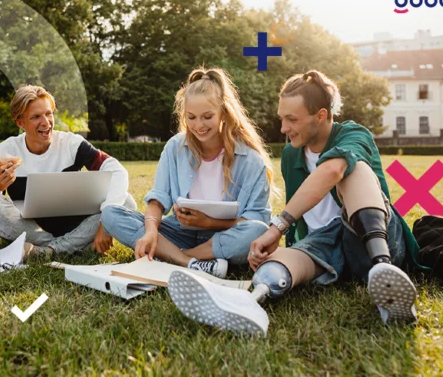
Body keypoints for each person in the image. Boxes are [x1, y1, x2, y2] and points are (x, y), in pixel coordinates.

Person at [167, 70, 425, 335]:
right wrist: (276, 246)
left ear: (321, 116)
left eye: (291, 119)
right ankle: (247, 301)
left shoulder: (353, 134)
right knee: (276, 264)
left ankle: (383, 270)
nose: (283, 128)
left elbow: (332, 172)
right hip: (323, 246)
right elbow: (302, 216)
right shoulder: (291, 154)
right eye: (282, 119)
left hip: (371, 238)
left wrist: (277, 226)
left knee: (353, 169)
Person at [100, 67, 275, 278]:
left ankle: (177, 257)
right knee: (110, 214)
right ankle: (189, 263)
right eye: (191, 117)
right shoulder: (175, 147)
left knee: (260, 231)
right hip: (179, 232)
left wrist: (209, 223)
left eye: (207, 117)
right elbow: (158, 199)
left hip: (224, 236)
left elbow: (258, 219)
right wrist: (151, 231)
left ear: (223, 114)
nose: (198, 125)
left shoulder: (250, 159)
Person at [0, 85, 136, 259]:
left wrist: (106, 223)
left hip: (77, 224)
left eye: (48, 113)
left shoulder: (72, 144)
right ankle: (75, 246)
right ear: (20, 122)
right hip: (33, 230)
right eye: (36, 116)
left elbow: (116, 170)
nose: (46, 122)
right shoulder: (5, 151)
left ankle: (50, 251)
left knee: (127, 202)